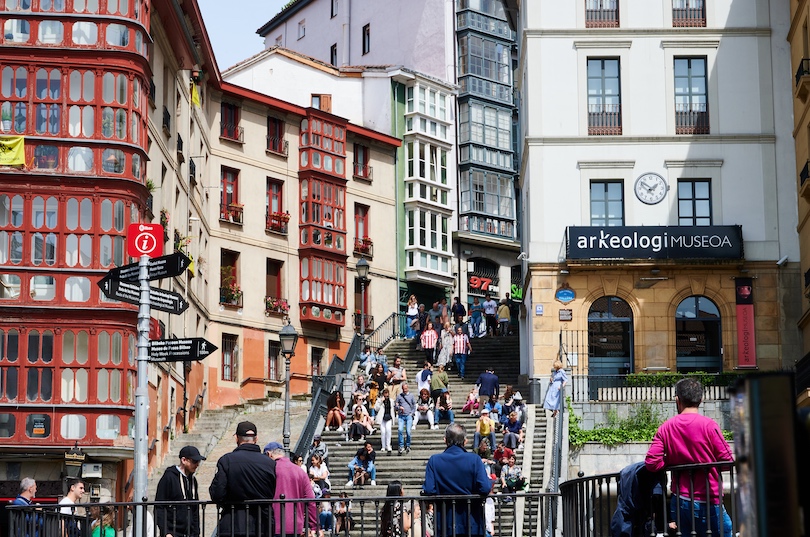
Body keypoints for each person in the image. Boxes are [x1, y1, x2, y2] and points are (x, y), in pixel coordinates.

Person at [645, 378, 734, 537]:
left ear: (677, 400)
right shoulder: (709, 425)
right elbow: (728, 461)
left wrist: (670, 461)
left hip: (680, 500)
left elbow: (652, 462)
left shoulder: (666, 427)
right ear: (701, 400)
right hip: (709, 499)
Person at [423, 423, 491, 537]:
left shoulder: (434, 460)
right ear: (465, 441)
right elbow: (485, 488)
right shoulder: (474, 459)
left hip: (445, 521)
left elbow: (429, 489)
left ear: (445, 440)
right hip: (472, 520)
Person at [209, 421, 276, 537]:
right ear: (256, 439)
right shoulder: (269, 463)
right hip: (262, 523)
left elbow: (217, 493)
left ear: (236, 438)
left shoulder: (226, 460)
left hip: (233, 521)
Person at [263, 442, 318, 537]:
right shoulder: (300, 471)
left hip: (273, 524)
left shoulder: (269, 470)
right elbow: (310, 500)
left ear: (269, 454)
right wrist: (314, 526)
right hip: (295, 525)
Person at [155, 445, 206, 537]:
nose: (197, 464)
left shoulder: (193, 481)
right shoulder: (169, 478)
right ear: (184, 460)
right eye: (194, 461)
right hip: (173, 533)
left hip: (190, 533)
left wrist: (196, 533)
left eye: (198, 461)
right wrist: (166, 532)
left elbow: (195, 510)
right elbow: (159, 506)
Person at [395, 382, 417, 455]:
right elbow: (395, 406)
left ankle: (408, 445)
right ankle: (401, 445)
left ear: (408, 388)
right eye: (404, 388)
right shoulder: (399, 396)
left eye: (406, 388)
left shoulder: (411, 396)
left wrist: (412, 413)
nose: (405, 390)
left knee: (408, 431)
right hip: (401, 416)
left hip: (408, 416)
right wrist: (399, 407)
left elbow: (414, 405)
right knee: (400, 430)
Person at [374, 388, 394, 453]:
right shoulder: (379, 401)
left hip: (389, 417)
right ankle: (383, 446)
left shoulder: (391, 401)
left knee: (388, 430)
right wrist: (380, 402)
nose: (386, 397)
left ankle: (388, 445)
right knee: (383, 432)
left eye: (387, 396)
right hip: (382, 418)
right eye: (385, 396)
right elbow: (376, 408)